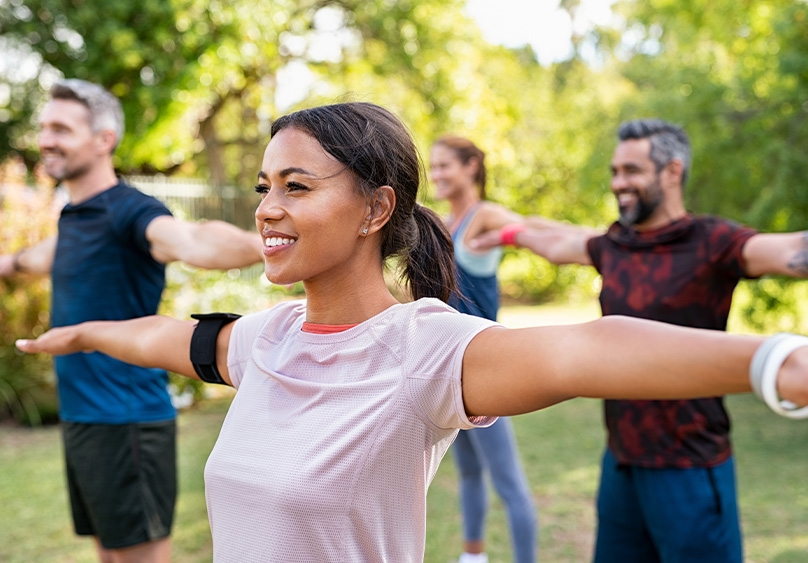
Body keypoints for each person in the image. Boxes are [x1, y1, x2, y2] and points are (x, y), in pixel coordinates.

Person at [14, 103, 808, 563]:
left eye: (296, 186)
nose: (266, 207)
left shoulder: (420, 350)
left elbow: (586, 348)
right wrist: (84, 330)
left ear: (375, 209)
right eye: (263, 187)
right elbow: (168, 336)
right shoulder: (266, 341)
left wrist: (776, 358)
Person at [470, 118, 808, 562]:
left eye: (631, 170)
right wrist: (504, 234)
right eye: (615, 171)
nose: (618, 183)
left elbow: (790, 251)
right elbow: (557, 242)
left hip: (689, 467)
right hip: (622, 464)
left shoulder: (712, 241)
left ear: (672, 171)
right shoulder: (614, 244)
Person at [0, 79, 263, 563]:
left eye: (61, 128)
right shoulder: (75, 216)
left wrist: (269, 245)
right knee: (110, 554)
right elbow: (38, 259)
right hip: (85, 418)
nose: (45, 139)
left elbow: (192, 241)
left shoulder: (131, 211)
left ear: (104, 140)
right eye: (43, 127)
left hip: (127, 421)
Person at [430, 135, 536, 563]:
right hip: (449, 367)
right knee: (469, 472)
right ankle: (472, 557)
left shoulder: (485, 216)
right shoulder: (442, 223)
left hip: (487, 365)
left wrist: (510, 236)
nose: (436, 175)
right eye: (433, 167)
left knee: (507, 480)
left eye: (444, 166)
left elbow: (533, 230)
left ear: (471, 166)